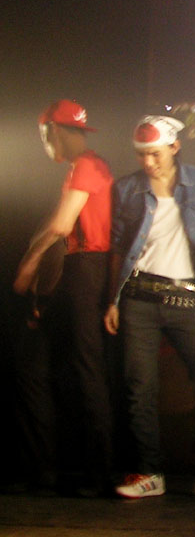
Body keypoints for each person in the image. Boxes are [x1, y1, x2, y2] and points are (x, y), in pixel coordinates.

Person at [105, 115, 195, 499]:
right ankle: (149, 472)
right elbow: (118, 247)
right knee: (140, 387)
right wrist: (112, 299)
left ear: (174, 146)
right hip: (138, 297)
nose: (148, 162)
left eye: (155, 153)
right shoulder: (127, 188)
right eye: (141, 155)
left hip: (185, 298)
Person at [12, 100, 116, 496]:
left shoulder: (87, 164)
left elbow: (60, 225)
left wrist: (29, 262)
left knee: (86, 370)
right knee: (35, 367)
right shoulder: (85, 165)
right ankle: (44, 470)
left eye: (44, 136)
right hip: (79, 270)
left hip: (86, 269)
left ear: (53, 130)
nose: (45, 144)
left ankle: (98, 474)